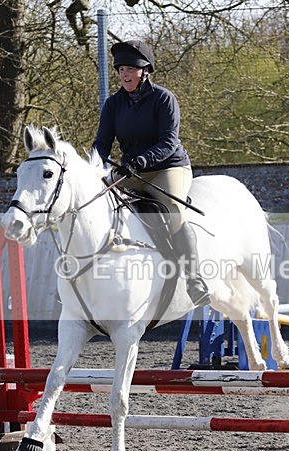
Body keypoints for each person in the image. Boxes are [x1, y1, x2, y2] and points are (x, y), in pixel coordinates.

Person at [92, 39, 210, 306]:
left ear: (145, 71)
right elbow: (102, 143)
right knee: (97, 199)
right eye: (121, 70)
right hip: (132, 171)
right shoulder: (113, 104)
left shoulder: (164, 99)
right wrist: (93, 166)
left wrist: (140, 161)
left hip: (168, 167)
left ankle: (194, 279)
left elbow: (168, 142)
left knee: (173, 209)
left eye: (130, 70)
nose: (125, 75)